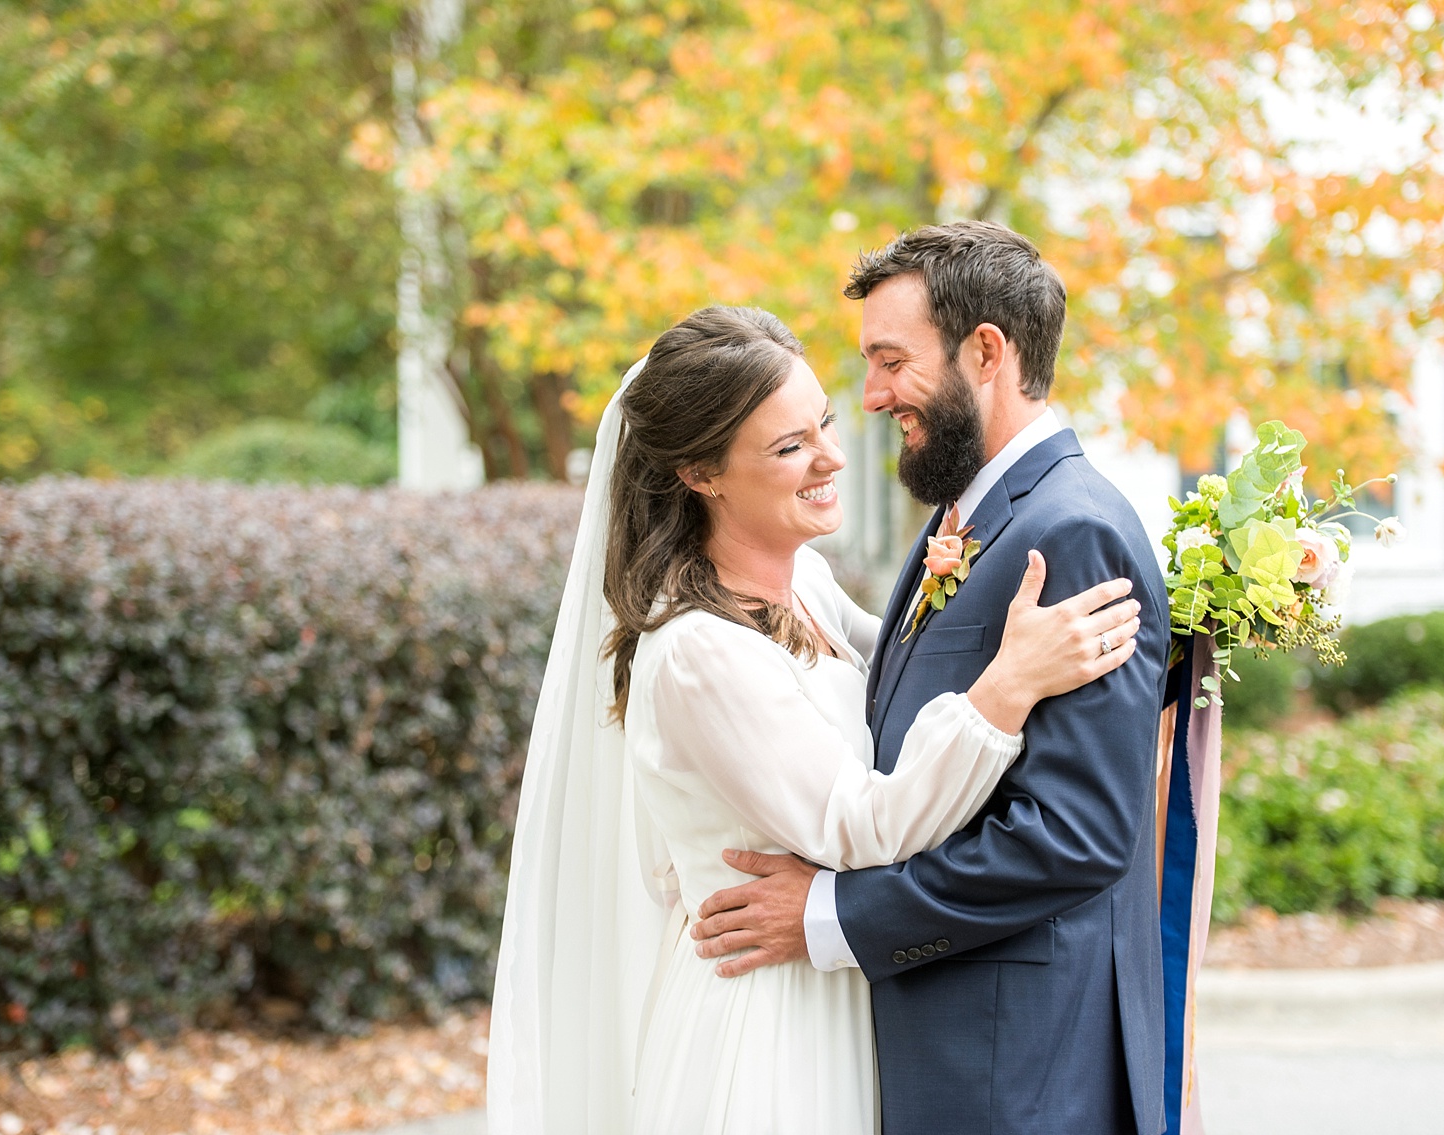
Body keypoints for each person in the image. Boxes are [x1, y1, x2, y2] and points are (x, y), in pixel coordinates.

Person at [486, 302, 1143, 1135]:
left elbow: (912, 678)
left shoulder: (808, 589)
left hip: (838, 995)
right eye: (789, 447)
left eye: (823, 423)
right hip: (766, 1024)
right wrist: (1009, 688)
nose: (832, 456)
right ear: (701, 472)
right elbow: (862, 824)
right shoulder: (697, 652)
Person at [689, 222, 1172, 1134]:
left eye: (890, 360)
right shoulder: (973, 515)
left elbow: (1073, 835)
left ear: (985, 351)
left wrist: (833, 916)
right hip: (957, 1055)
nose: (871, 396)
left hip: (1020, 1068)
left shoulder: (1070, 532)